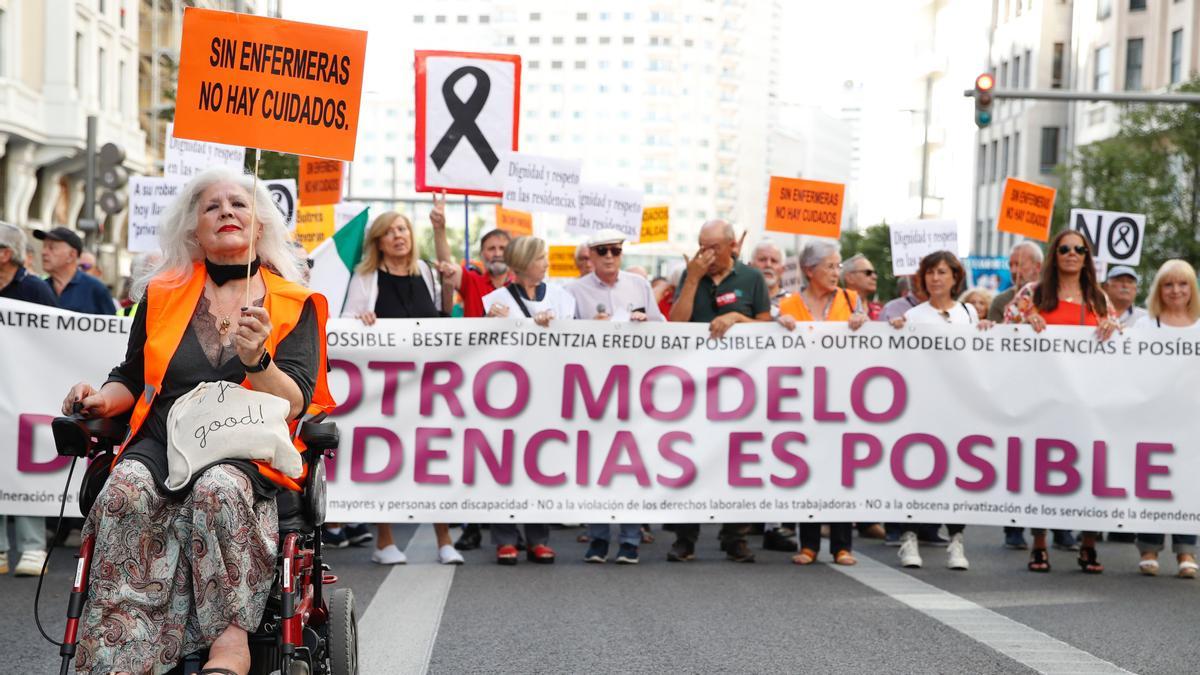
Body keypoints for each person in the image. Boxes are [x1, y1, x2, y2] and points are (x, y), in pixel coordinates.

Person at [59, 166, 334, 674]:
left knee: (218, 488)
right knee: (124, 490)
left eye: (239, 204)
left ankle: (231, 639)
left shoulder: (296, 303)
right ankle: (124, 648)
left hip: (242, 446)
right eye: (212, 206)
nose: (227, 211)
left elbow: (296, 400)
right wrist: (100, 400)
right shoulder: (162, 295)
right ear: (193, 229)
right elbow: (133, 375)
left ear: (261, 225)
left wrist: (259, 361)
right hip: (165, 439)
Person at [339, 194, 463, 566]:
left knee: (433, 460)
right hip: (387, 389)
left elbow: (445, 307)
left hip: (429, 385)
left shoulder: (425, 271)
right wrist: (360, 321)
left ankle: (445, 539)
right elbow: (344, 323)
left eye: (403, 229)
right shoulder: (367, 278)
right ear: (378, 241)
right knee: (387, 459)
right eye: (390, 231)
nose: (399, 236)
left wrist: (439, 228)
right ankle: (385, 541)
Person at [1006, 229, 1118, 574]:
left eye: (1079, 249)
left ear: (1087, 257)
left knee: (1090, 472)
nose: (1072, 254)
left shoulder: (1098, 298)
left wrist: (1114, 327)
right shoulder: (1033, 293)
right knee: (1042, 472)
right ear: (1055, 254)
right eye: (1065, 248)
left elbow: (1121, 341)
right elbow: (1003, 328)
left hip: (1086, 401)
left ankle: (1088, 545)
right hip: (1043, 400)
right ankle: (1039, 544)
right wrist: (1026, 321)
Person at [668, 220, 771, 563]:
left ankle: (735, 536)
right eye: (701, 246)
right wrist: (693, 279)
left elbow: (766, 326)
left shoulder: (751, 278)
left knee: (738, 459)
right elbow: (676, 324)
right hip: (695, 382)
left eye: (713, 247)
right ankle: (686, 537)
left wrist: (737, 320)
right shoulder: (691, 275)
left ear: (730, 246)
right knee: (690, 457)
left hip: (740, 383)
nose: (706, 254)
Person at [887, 251, 991, 570]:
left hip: (958, 406)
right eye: (930, 272)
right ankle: (910, 537)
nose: (936, 279)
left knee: (956, 473)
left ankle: (956, 540)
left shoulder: (968, 314)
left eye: (942, 272)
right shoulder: (915, 317)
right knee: (917, 470)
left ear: (955, 277)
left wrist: (987, 328)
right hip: (921, 404)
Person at [570, 230, 664, 563]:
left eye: (615, 250)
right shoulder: (573, 291)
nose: (610, 256)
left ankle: (629, 540)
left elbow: (662, 327)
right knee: (596, 466)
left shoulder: (639, 286)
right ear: (590, 257)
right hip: (592, 390)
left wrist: (644, 321)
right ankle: (597, 539)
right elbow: (559, 340)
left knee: (631, 466)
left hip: (632, 388)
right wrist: (587, 328)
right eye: (602, 251)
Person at [480, 235, 572, 565]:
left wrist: (554, 327)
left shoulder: (563, 299)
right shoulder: (494, 299)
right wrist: (490, 323)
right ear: (523, 263)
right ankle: (505, 538)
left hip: (548, 392)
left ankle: (538, 537)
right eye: (541, 258)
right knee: (505, 465)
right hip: (507, 394)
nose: (546, 263)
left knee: (541, 462)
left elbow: (577, 342)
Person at [776, 239, 866, 567]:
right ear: (809, 270)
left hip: (843, 398)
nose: (836, 272)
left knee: (842, 471)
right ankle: (809, 543)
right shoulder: (788, 306)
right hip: (802, 397)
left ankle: (843, 546)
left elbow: (873, 338)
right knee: (807, 467)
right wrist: (778, 326)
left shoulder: (851, 299)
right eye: (830, 266)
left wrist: (863, 323)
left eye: (838, 266)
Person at [1130, 259, 1200, 577]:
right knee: (1153, 481)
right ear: (1159, 289)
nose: (1176, 290)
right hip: (1153, 417)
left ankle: (1186, 551)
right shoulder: (1146, 325)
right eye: (1169, 284)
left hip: (1191, 419)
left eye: (1183, 284)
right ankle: (1149, 547)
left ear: (1192, 289)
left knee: (1187, 481)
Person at [0, 222, 58, 577]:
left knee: (23, 464)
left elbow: (56, 335)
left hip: (25, 392)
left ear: (5, 254)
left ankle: (33, 547)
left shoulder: (35, 289)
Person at [434, 215, 512, 317]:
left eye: (502, 248)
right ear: (482, 254)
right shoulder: (472, 281)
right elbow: (448, 267)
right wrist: (439, 228)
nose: (497, 254)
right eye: (491, 249)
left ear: (511, 253)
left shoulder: (521, 286)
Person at [35, 226, 115, 315]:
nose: (44, 252)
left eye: (51, 248)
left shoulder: (96, 290)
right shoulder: (38, 289)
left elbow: (113, 325)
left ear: (72, 255)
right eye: (44, 247)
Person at [988, 240, 1043, 322]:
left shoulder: (1055, 296)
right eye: (1010, 265)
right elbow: (993, 334)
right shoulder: (1000, 301)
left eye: (1019, 264)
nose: (1013, 270)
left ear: (1037, 266)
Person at [750, 238, 789, 312]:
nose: (768, 265)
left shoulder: (796, 303)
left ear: (782, 270)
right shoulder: (739, 300)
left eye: (774, 261)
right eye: (762, 259)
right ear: (750, 266)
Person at [842, 253, 882, 320]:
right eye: (868, 272)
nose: (874, 277)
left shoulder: (880, 311)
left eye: (875, 273)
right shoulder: (836, 308)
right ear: (849, 278)